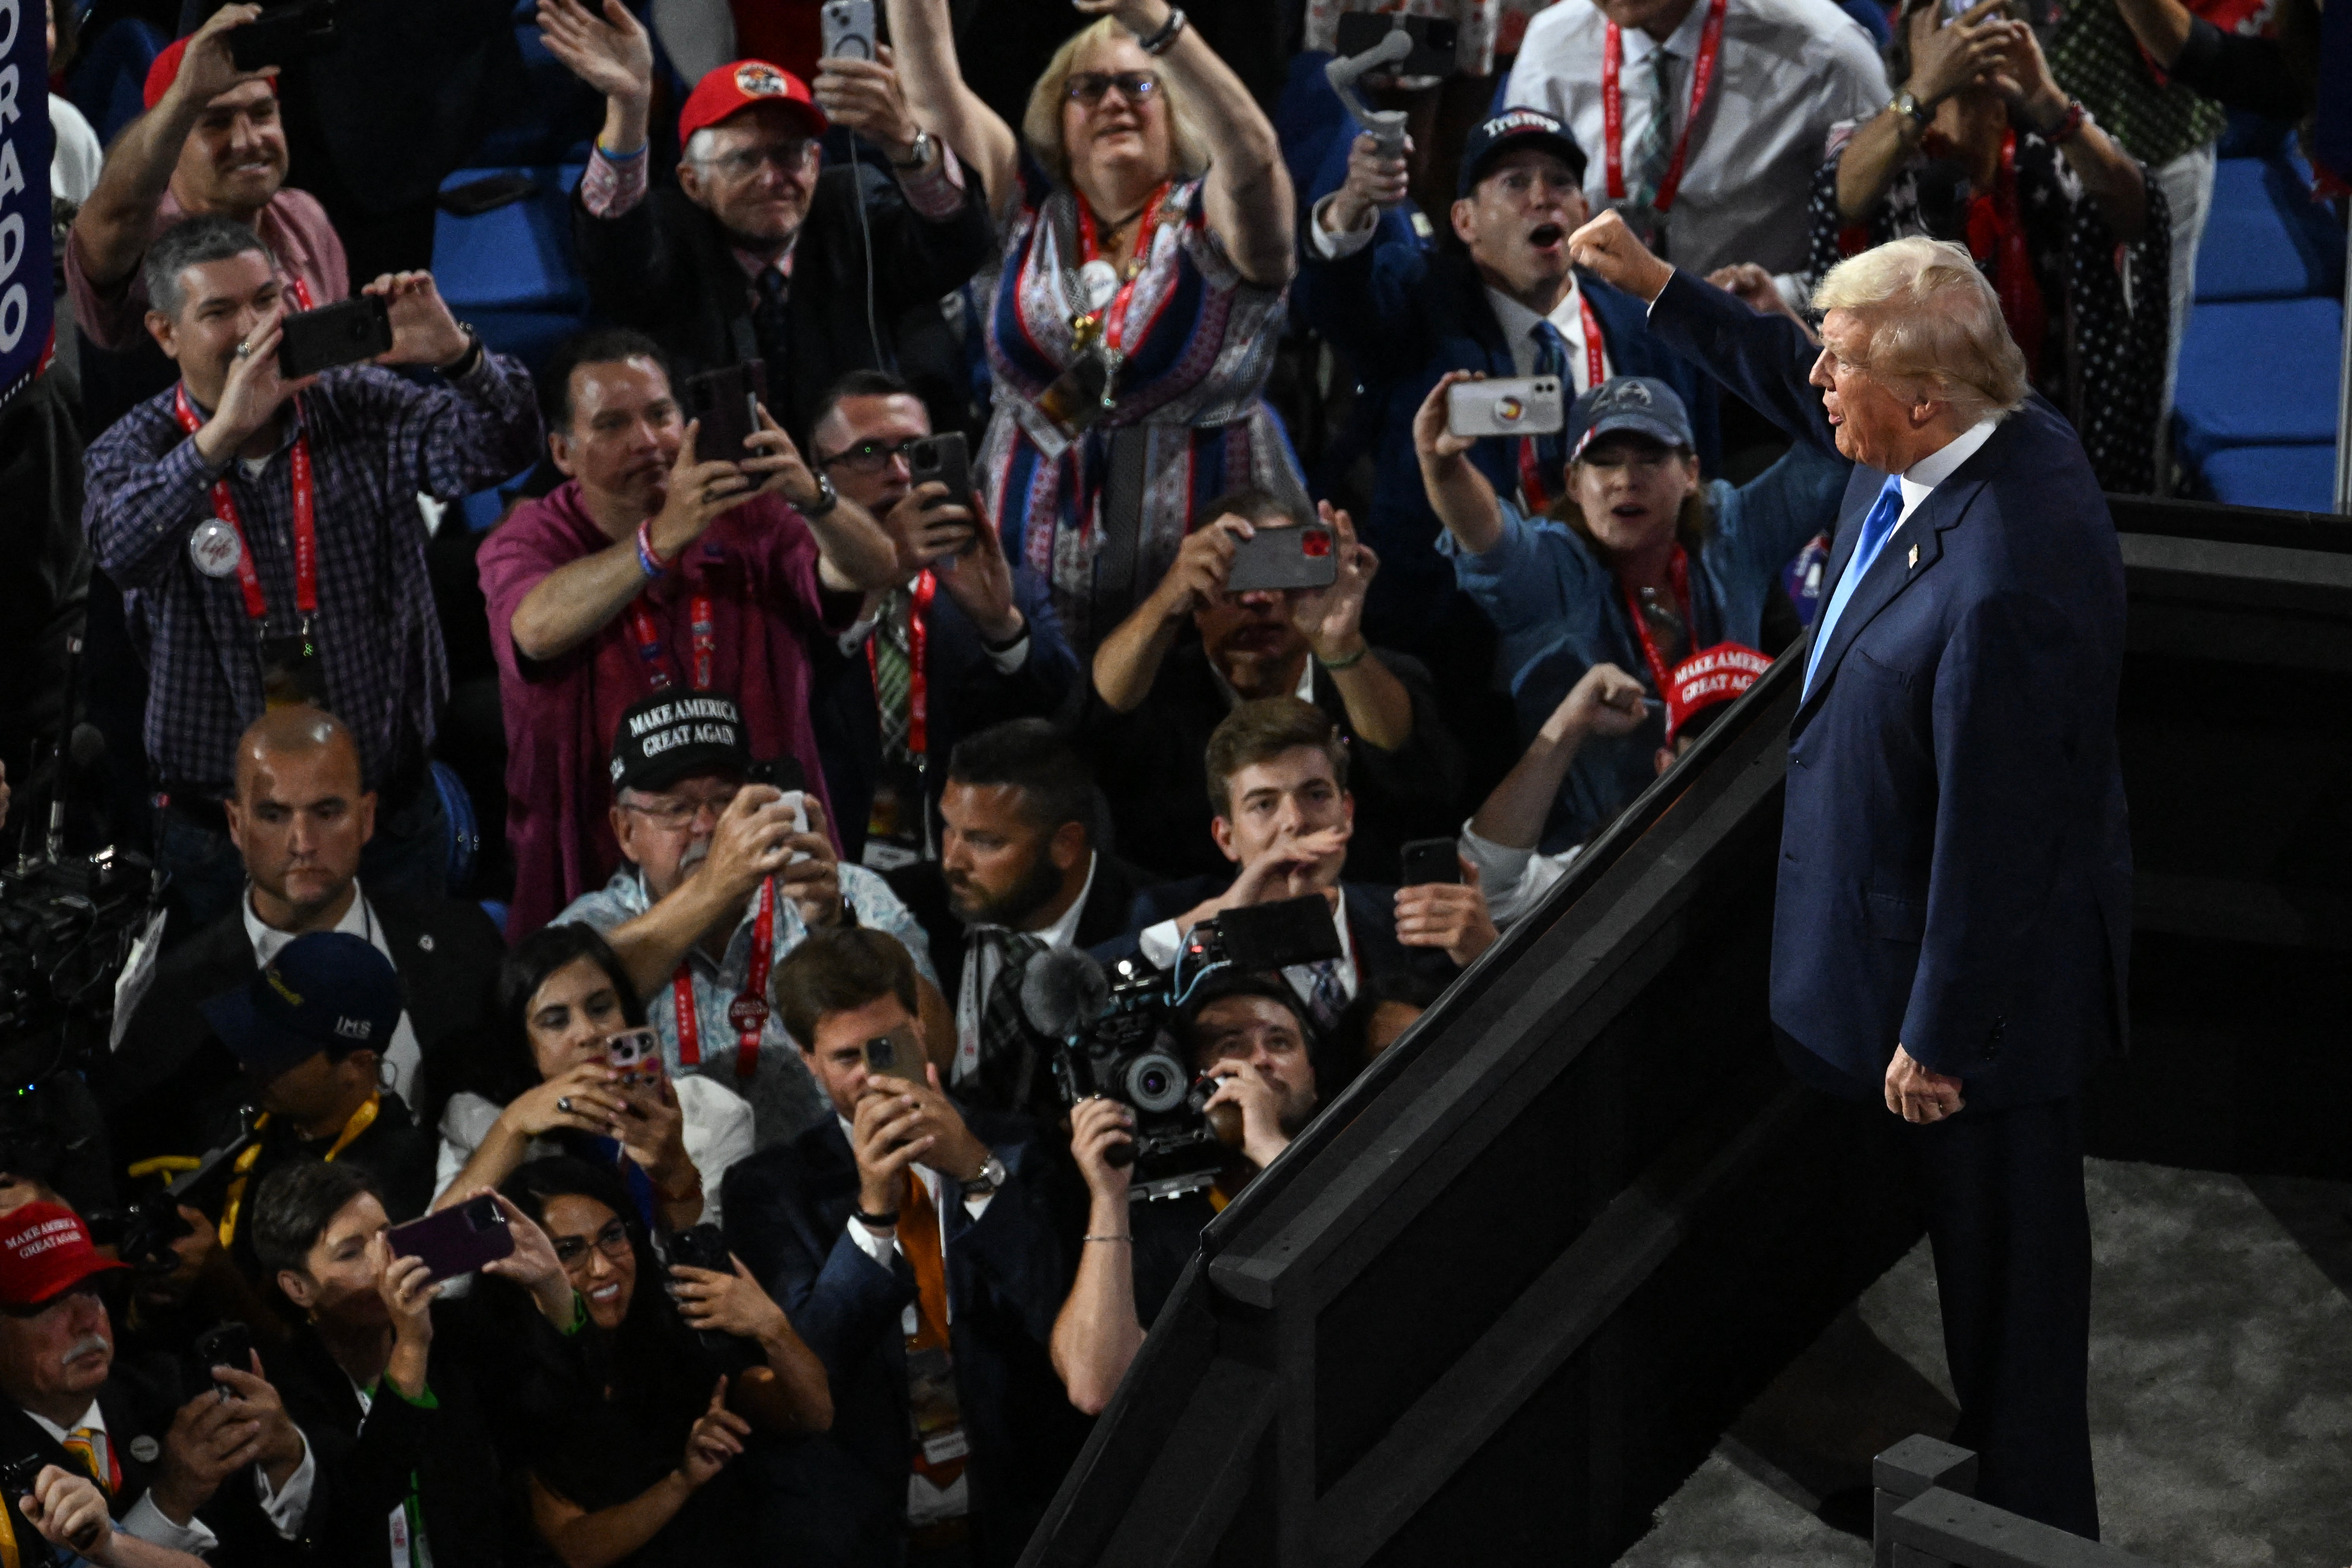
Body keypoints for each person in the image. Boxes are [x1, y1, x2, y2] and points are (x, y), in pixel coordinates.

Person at [1571, 211, 2128, 1537]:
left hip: (1981, 1005)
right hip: (1909, 958)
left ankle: (2038, 1524)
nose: (1814, 384)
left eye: (1841, 369)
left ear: (1922, 399)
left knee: (2011, 1268)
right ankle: (1990, 1472)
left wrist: (1939, 1034)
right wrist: (1659, 289)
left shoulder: (2006, 573)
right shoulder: (1955, 433)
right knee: (1964, 1253)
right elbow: (1778, 366)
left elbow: (1999, 838)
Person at [81, 217, 543, 928]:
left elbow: (504, 446)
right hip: (220, 836)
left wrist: (456, 355)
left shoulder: (358, 404)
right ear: (165, 332)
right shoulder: (133, 449)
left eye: (267, 300)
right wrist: (221, 437)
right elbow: (121, 549)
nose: (255, 328)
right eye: (220, 311)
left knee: (406, 1026)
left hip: (386, 812)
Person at [884, 0, 1306, 651]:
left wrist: (1153, 21)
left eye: (1139, 84)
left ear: (1177, 108)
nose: (1114, 102)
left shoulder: (1213, 220)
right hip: (1027, 596)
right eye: (1088, 87)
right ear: (1057, 115)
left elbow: (1252, 158)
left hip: (1203, 609)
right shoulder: (1019, 219)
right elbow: (934, 89)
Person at [478, 328, 900, 939]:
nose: (646, 441)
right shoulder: (530, 539)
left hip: (763, 851)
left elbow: (873, 566)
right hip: (602, 870)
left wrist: (812, 495)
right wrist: (656, 544)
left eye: (659, 414)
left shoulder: (749, 513)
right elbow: (536, 630)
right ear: (563, 453)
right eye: (613, 424)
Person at [1294, 107, 1720, 656]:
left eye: (1560, 182)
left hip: (1621, 628)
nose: (1541, 197)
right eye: (1514, 182)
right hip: (1452, 636)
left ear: (1585, 212)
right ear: (1464, 221)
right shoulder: (1416, 301)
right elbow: (1333, 298)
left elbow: (1698, 483)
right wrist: (1352, 206)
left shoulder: (1649, 329)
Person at [723, 928, 1078, 1568]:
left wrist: (975, 1169)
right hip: (869, 1531)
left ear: (919, 1023)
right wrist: (875, 1210)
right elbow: (812, 1373)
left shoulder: (1021, 1147)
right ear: (806, 1058)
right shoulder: (770, 1189)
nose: (869, 1076)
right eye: (844, 1057)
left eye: (885, 1045)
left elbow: (1058, 1314)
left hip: (1021, 1515)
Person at [1414, 372, 1845, 849]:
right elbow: (1491, 540)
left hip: (1737, 828)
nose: (1626, 480)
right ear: (1574, 483)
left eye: (1651, 458)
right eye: (1604, 462)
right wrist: (1444, 469)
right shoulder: (1553, 573)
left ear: (1690, 474)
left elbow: (1838, 446)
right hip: (1597, 867)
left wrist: (1781, 332)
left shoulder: (1731, 534)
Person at [539, 0, 998, 439]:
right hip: (717, 490)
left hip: (854, 486)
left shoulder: (850, 203)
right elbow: (614, 237)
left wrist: (906, 143)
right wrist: (629, 108)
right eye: (743, 160)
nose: (772, 178)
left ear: (816, 164)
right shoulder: (673, 230)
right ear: (692, 182)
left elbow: (957, 244)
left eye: (789, 154)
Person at [102, 707, 503, 1173]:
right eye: (273, 814)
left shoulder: (464, 943)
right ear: (236, 824)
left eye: (327, 811)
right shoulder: (174, 1003)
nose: (302, 842)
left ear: (366, 816)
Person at [557, 691, 947, 1148]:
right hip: (668, 1200)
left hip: (839, 1186)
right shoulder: (596, 925)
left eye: (724, 802)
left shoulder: (839, 890)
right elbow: (549, 1032)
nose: (705, 827)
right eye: (677, 809)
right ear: (626, 831)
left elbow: (937, 1051)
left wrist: (840, 930)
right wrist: (716, 889)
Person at [1812, 0, 2168, 493]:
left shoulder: (2051, 152)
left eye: (1987, 16)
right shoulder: (1876, 144)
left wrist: (2048, 101)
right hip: (1907, 443)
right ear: (1913, 36)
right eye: (1952, 17)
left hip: (2043, 440)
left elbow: (2137, 214)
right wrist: (1924, 87)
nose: (1969, 35)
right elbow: (1841, 198)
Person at [1083, 490, 1466, 885]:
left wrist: (1341, 646)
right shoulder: (1159, 689)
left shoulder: (1372, 673)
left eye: (1282, 571)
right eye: (1237, 576)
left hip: (1358, 908)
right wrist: (1167, 599)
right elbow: (1098, 718)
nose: (1259, 598)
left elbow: (1413, 766)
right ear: (1198, 604)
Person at [483, 1156, 831, 1568]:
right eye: (568, 1251)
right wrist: (681, 1482)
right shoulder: (510, 1371)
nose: (601, 1266)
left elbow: (812, 1414)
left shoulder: (675, 1326)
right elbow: (575, 1545)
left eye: (613, 1236)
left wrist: (774, 1329)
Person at [803, 370, 1081, 859]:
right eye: (869, 454)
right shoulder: (790, 591)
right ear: (819, 474)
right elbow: (800, 702)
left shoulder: (1001, 581)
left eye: (915, 449)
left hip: (966, 862)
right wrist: (879, 576)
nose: (900, 472)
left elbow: (1065, 719)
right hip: (828, 856)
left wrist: (1001, 629)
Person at [1116, 698, 1494, 1033]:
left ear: (1346, 813)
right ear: (1226, 838)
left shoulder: (1413, 923)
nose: (1295, 821)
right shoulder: (1183, 929)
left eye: (1315, 795)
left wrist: (1488, 954)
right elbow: (1082, 1002)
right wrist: (1212, 921)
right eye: (1264, 804)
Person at [1052, 970, 1321, 1412]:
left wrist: (1270, 1146)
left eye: (1280, 1042)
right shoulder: (1149, 1221)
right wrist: (1109, 1198)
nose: (1259, 1061)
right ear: (1187, 1080)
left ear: (1313, 1077)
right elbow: (1095, 1385)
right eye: (1230, 1046)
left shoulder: (1357, 1160)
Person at [1503, 0, 1889, 308]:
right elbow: (1514, 215)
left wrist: (1782, 297)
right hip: (1602, 335)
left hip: (1756, 341)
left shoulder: (1826, 48)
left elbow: (1890, 240)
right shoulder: (1549, 45)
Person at [246, 1161, 529, 1567]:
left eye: (386, 1237)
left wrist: (551, 1286)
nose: (385, 1262)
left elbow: (550, 1419)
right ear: (299, 1287)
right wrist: (412, 1345)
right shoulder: (288, 1387)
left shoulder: (451, 1333)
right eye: (351, 1252)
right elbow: (365, 1499)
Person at [0, 1201, 307, 1558]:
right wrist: (170, 1502)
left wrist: (285, 1457)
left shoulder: (168, 1393)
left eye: (90, 1290)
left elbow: (287, 1548)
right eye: (51, 1302)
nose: (87, 1319)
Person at [886, 720, 1150, 1120]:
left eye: (984, 841)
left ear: (1066, 845)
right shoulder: (902, 903)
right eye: (948, 830)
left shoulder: (1145, 925)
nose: (953, 861)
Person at [66, 6, 346, 367]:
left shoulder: (303, 217)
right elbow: (119, 213)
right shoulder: (143, 247)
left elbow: (334, 372)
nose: (248, 141)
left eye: (262, 114)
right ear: (171, 143)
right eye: (216, 123)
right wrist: (186, 96)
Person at [428, 923, 756, 1231]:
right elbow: (440, 1274)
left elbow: (716, 1274)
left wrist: (675, 1174)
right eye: (556, 1022)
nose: (587, 1033)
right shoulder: (477, 1122)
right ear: (524, 1047)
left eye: (600, 1009)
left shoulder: (713, 1112)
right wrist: (511, 1129)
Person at [196, 932, 441, 1285]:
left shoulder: (391, 1180)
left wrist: (219, 1279)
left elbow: (339, 1331)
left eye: (276, 1053)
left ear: (356, 1065)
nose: (247, 1065)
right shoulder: (250, 1110)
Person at [1460, 643, 1768, 924]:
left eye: (1754, 741)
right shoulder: (1626, 857)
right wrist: (1570, 723)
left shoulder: (1813, 856)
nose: (1731, 765)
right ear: (1665, 766)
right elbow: (1488, 892)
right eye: (1707, 746)